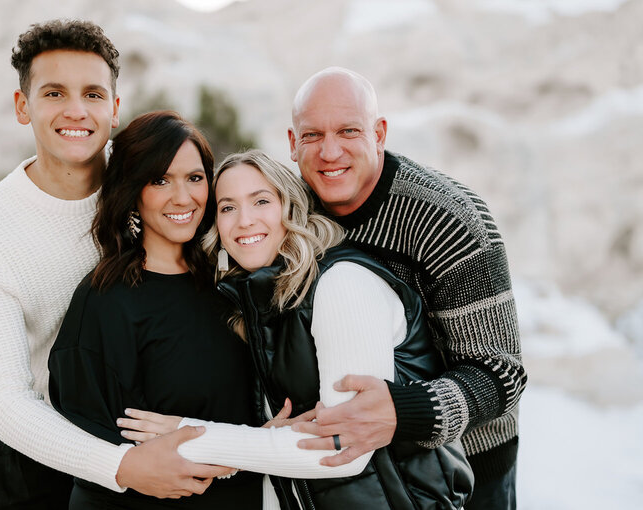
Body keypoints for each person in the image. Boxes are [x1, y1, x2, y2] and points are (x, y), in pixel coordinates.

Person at [0, 20, 228, 509]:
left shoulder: (150, 182)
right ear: (23, 106)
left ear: (115, 109)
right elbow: (8, 403)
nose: (76, 111)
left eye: (93, 94)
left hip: (152, 442)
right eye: (54, 93)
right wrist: (119, 466)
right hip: (44, 461)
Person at [118, 150, 473, 510]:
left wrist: (188, 435)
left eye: (261, 201)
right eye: (227, 208)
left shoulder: (342, 285)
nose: (244, 221)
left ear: (291, 208)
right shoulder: (259, 303)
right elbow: (280, 446)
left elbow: (344, 451)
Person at [286, 67, 526, 509]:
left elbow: (502, 372)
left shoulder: (449, 220)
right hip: (349, 476)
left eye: (348, 131)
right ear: (291, 141)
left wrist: (402, 411)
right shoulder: (285, 211)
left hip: (465, 469)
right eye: (312, 135)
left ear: (378, 133)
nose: (330, 150)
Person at [47, 111, 263, 509]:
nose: (183, 197)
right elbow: (89, 444)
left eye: (195, 178)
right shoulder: (105, 302)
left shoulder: (231, 286)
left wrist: (265, 440)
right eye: (160, 180)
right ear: (133, 190)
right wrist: (249, 450)